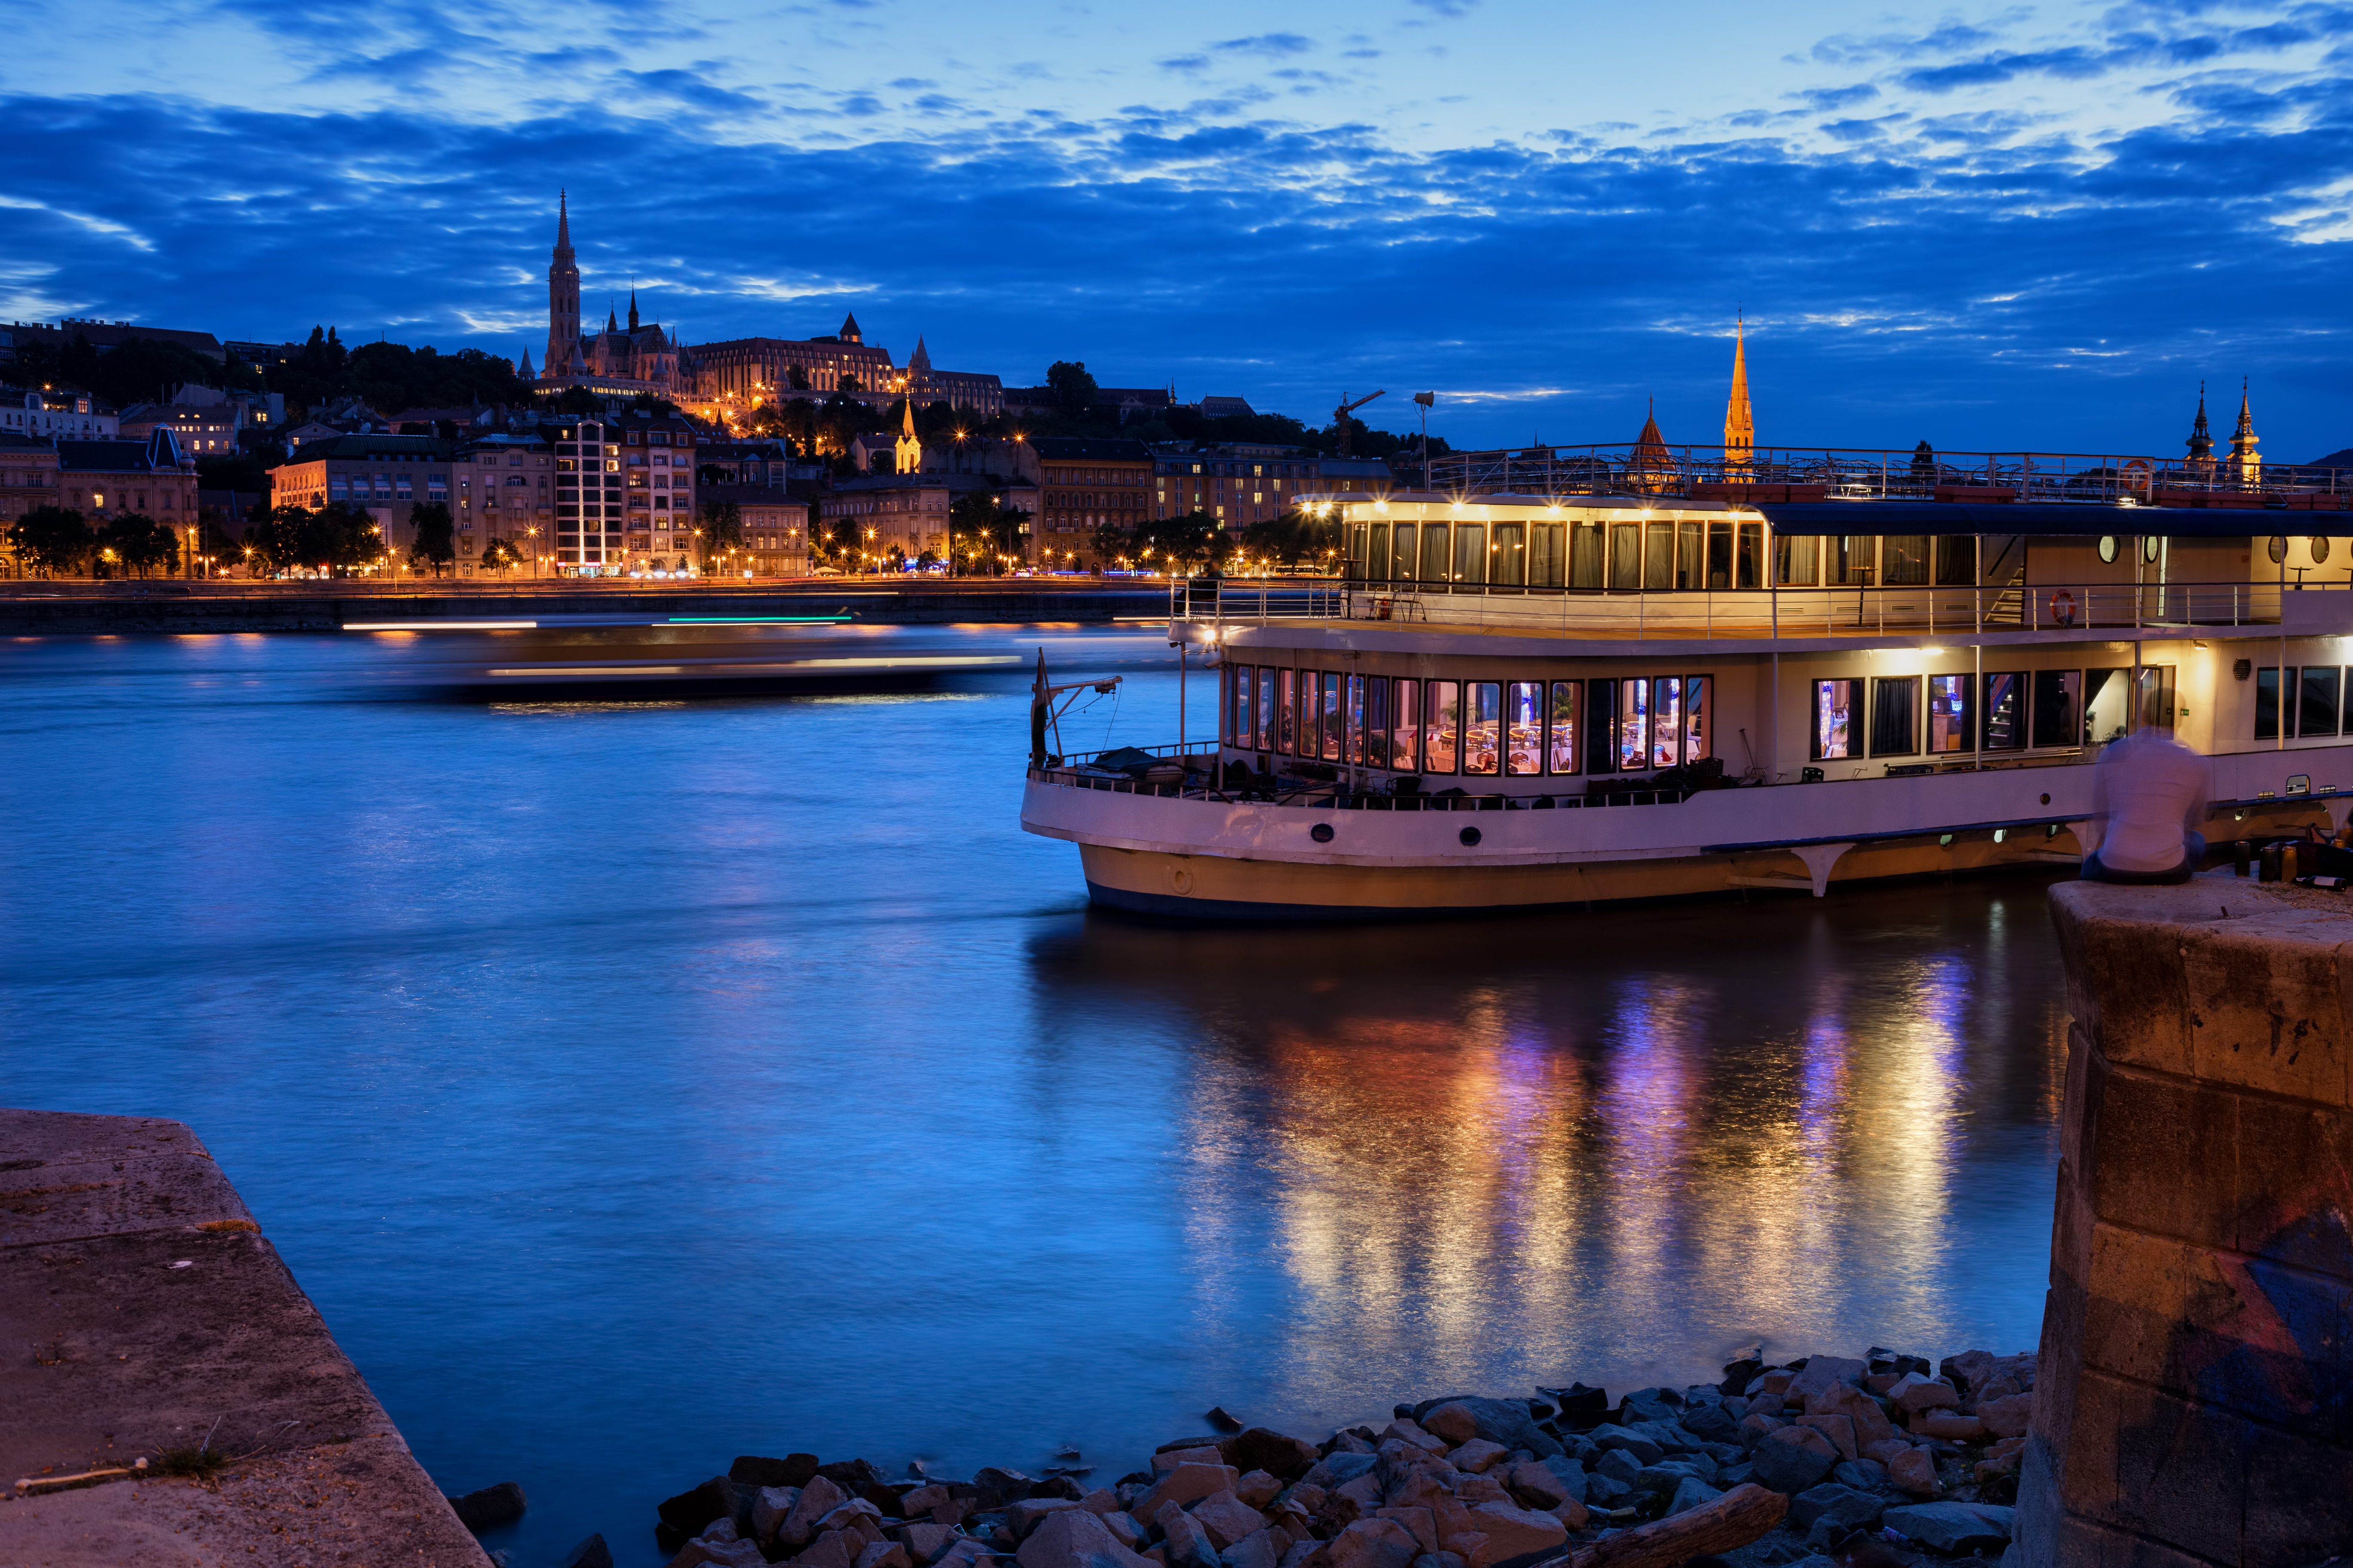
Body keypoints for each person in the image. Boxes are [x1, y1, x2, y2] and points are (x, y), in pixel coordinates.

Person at [2083, 690, 2210, 884]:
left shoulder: (2113, 752)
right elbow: (2195, 821)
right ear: (2178, 719)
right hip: (2170, 870)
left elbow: (2101, 816)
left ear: (2143, 715)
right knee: (2198, 841)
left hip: (2114, 866)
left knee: (2090, 864)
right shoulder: (2196, 761)